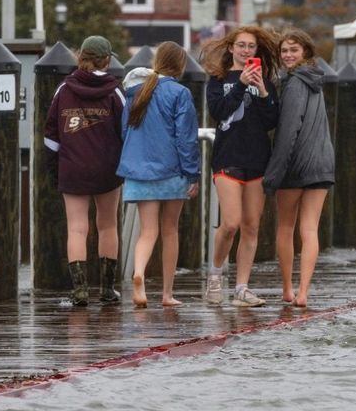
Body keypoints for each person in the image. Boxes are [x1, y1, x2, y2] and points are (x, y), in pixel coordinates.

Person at [201, 26, 280, 307]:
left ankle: (242, 288)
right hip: (227, 158)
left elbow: (271, 121)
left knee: (251, 226)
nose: (246, 50)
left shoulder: (265, 82)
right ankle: (215, 274)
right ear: (231, 48)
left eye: (251, 46)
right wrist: (241, 84)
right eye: (241, 45)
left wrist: (260, 90)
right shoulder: (218, 79)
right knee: (231, 223)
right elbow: (219, 112)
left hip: (257, 159)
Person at [117, 42, 200, 308]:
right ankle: (167, 294)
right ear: (180, 64)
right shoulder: (180, 92)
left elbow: (124, 131)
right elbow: (185, 138)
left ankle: (139, 272)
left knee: (147, 231)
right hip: (171, 170)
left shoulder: (136, 92)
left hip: (140, 171)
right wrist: (192, 174)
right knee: (170, 230)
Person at [44, 35, 124, 306]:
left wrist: (55, 167)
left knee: (77, 228)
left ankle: (79, 290)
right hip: (107, 168)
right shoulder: (114, 92)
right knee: (108, 225)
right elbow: (125, 131)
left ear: (81, 57)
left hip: (72, 167)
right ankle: (106, 288)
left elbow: (51, 135)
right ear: (108, 59)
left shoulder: (64, 90)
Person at [263, 29, 335, 307]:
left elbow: (288, 131)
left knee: (285, 226)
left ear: (305, 52)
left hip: (295, 166)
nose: (288, 55)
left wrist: (273, 174)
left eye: (293, 50)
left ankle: (288, 290)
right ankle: (304, 291)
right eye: (284, 51)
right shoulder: (316, 80)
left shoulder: (293, 83)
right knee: (310, 230)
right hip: (322, 163)